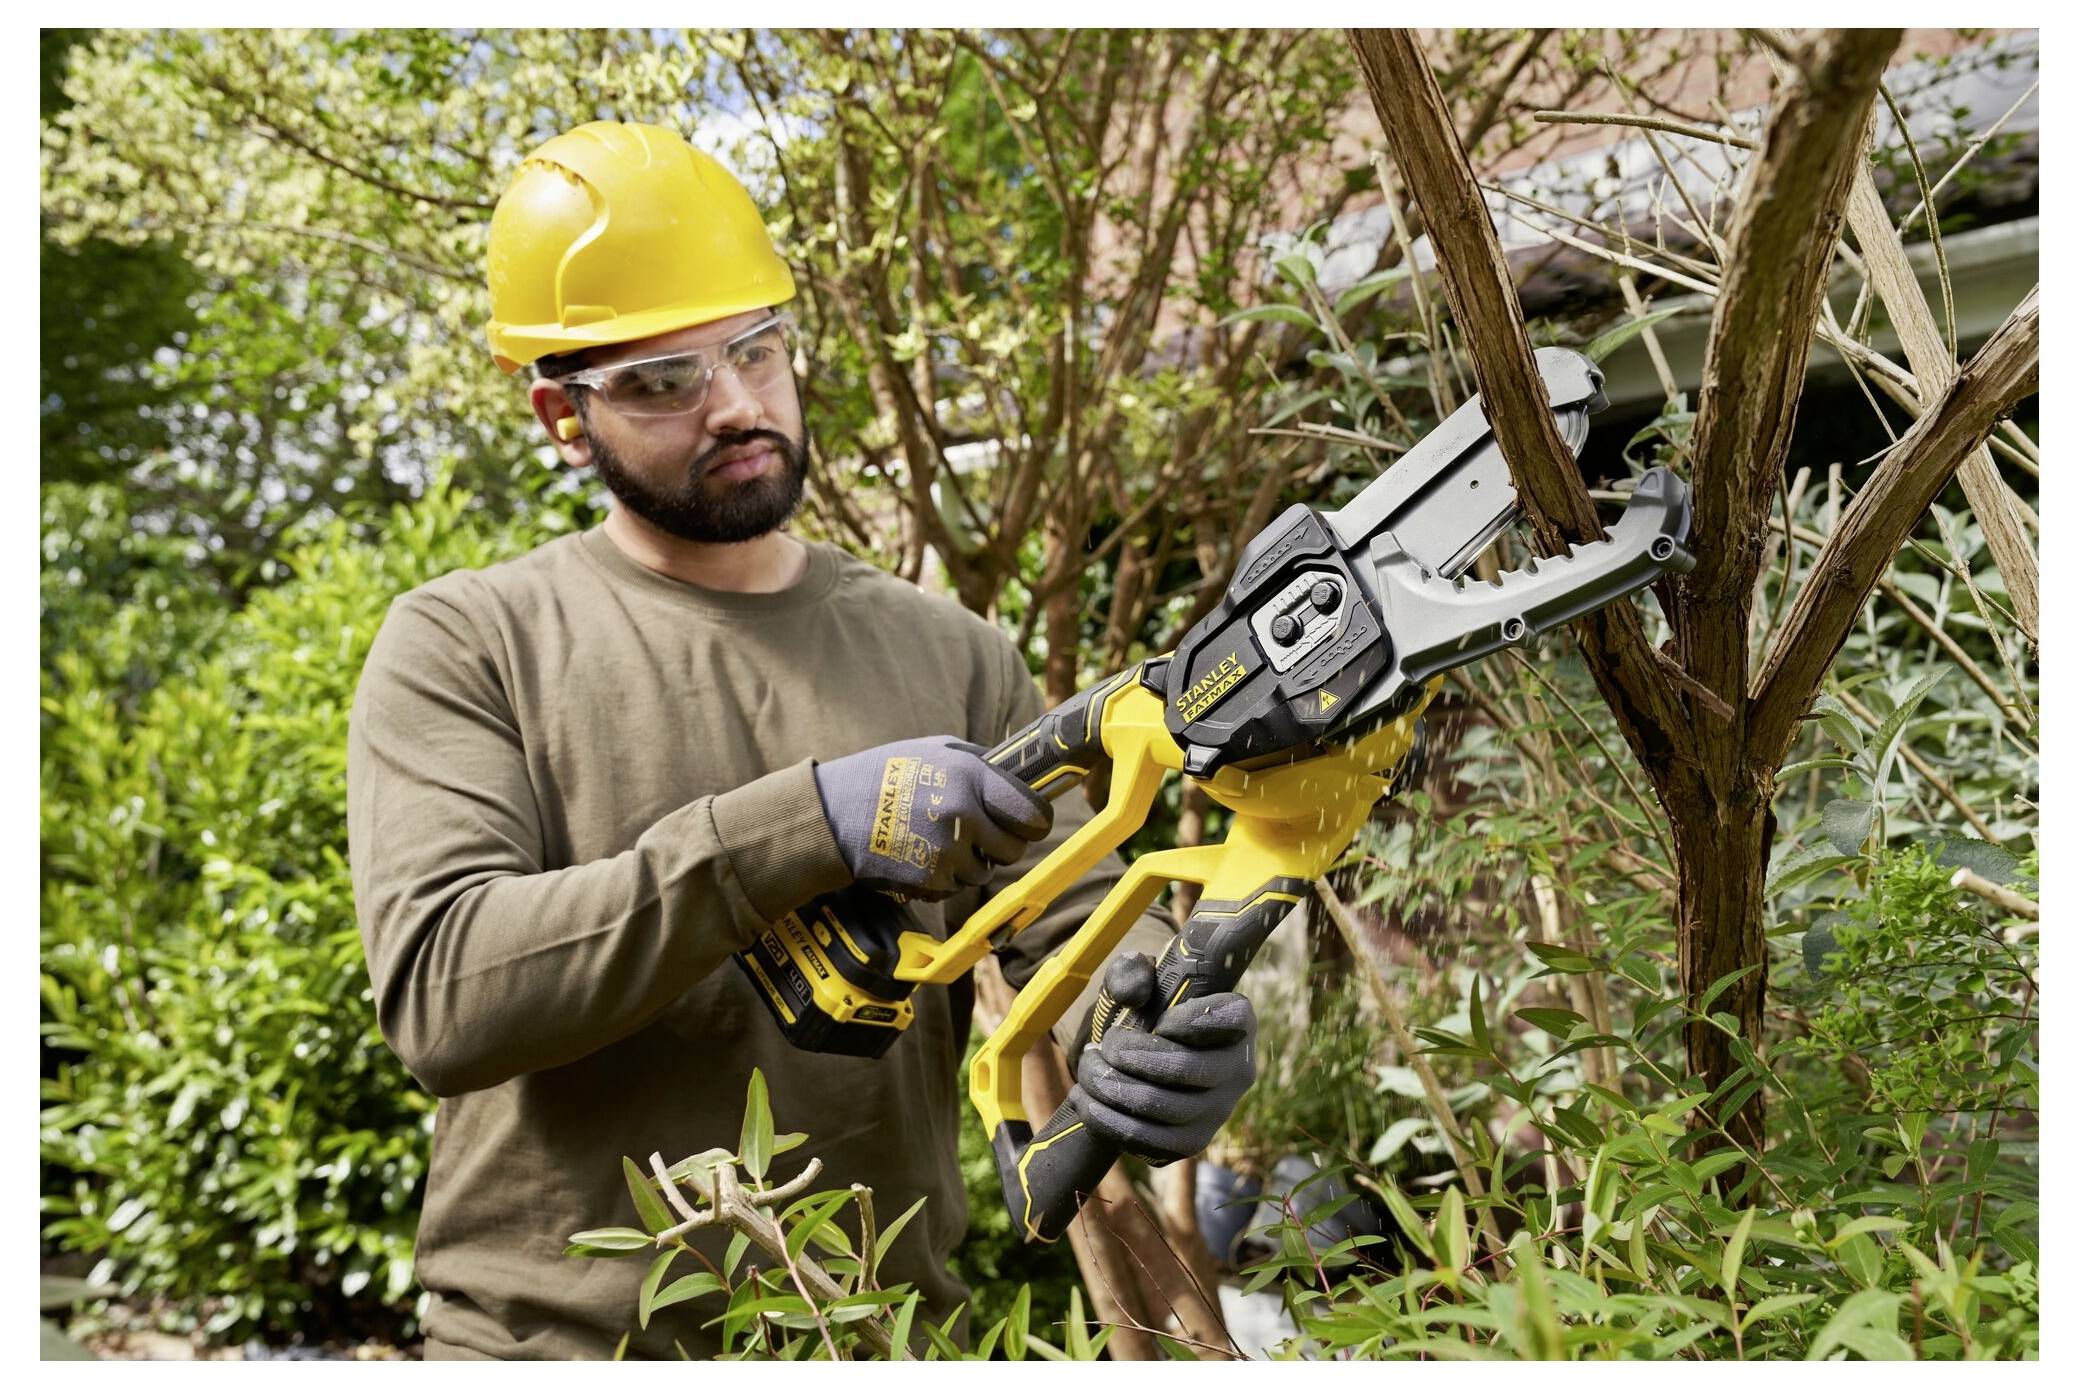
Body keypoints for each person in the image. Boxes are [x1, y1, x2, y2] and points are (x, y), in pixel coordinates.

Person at [347, 120, 1258, 1360]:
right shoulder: (469, 641)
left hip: (873, 1335)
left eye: (755, 350)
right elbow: (447, 994)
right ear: (563, 414)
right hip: (553, 1347)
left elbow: (1079, 923)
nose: (735, 404)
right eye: (663, 380)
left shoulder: (952, 653)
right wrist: (809, 821)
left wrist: (1159, 1031)